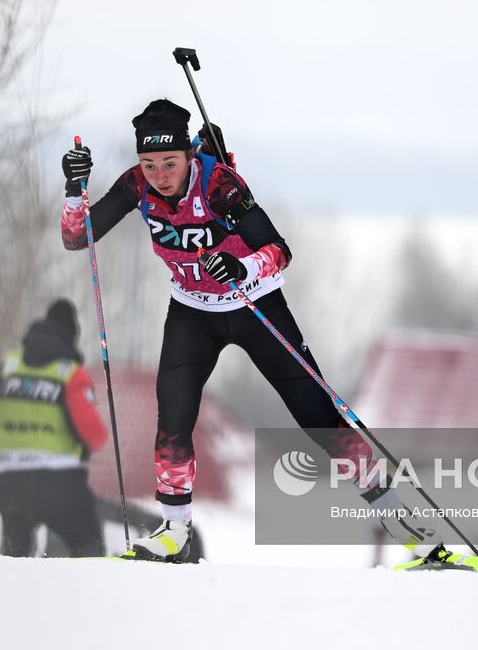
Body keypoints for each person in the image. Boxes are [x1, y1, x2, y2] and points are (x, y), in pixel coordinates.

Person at [60, 99, 428, 562]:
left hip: (255, 304)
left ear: (188, 157)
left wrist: (240, 266)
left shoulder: (217, 183)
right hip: (193, 311)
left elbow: (279, 250)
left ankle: (401, 519)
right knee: (173, 415)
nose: (159, 175)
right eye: (149, 165)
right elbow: (79, 238)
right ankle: (175, 529)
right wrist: (75, 189)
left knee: (316, 417)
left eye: (169, 163)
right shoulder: (137, 186)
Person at [0, 299, 108, 557]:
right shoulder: (70, 374)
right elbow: (95, 435)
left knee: (15, 554)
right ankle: (86, 596)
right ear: (72, 336)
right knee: (89, 549)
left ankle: (13, 595)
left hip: (8, 479)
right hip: (58, 482)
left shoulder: (7, 366)